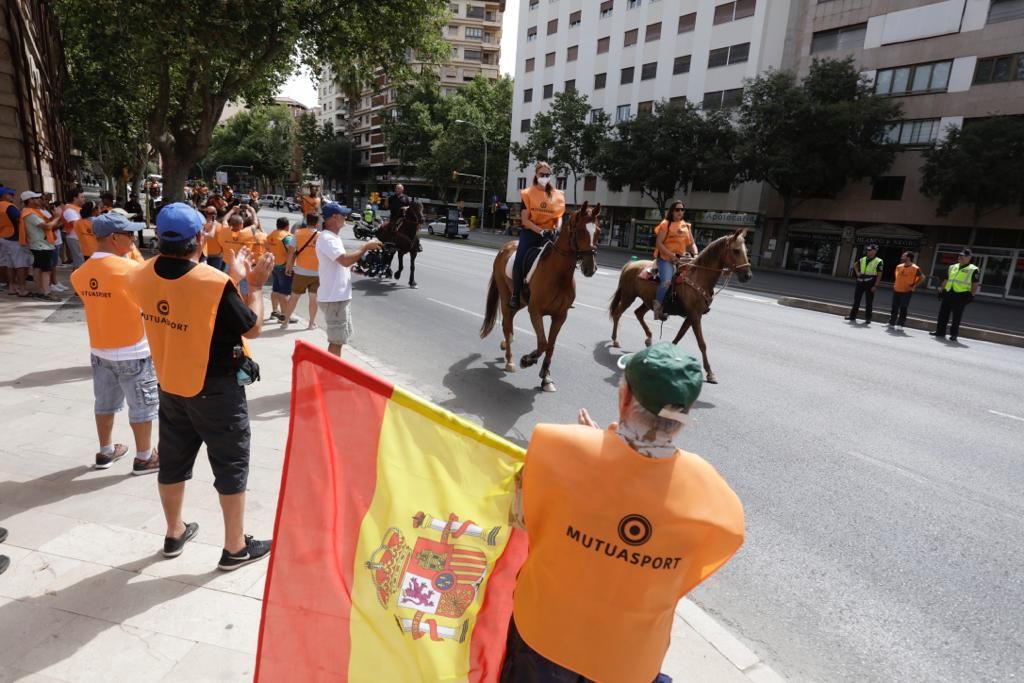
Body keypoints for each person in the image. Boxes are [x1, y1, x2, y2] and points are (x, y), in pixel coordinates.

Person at [502, 342, 744, 683]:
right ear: (686, 414)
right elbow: (683, 576)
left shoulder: (554, 446)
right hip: (630, 659)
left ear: (625, 397)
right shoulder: (716, 498)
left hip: (545, 636)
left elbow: (520, 521)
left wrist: (598, 450)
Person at [125, 202, 275, 569]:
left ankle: (174, 532)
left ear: (159, 237)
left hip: (171, 384)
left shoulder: (139, 275)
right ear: (199, 238)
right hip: (217, 390)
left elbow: (180, 307)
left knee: (172, 462)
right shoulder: (211, 282)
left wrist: (234, 280)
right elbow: (251, 327)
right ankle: (234, 547)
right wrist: (252, 284)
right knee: (230, 465)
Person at [70, 211, 159, 474]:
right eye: (128, 234)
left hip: (100, 349)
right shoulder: (132, 269)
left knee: (104, 403)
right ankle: (145, 457)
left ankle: (106, 451)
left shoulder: (80, 273)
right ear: (113, 238)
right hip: (134, 349)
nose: (133, 239)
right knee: (142, 405)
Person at [316, 203, 382, 356]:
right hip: (334, 299)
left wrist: (353, 268)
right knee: (336, 342)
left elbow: (341, 264)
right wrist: (365, 247)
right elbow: (344, 260)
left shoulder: (332, 238)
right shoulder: (327, 238)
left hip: (338, 298)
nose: (345, 217)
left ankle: (333, 372)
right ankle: (331, 376)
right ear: (334, 217)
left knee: (340, 339)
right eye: (343, 214)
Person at [509, 161, 566, 309]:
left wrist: (558, 228)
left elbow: (559, 216)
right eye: (542, 174)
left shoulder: (557, 195)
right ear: (536, 174)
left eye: (547, 175)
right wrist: (541, 231)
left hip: (550, 234)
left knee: (563, 258)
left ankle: (563, 292)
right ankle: (515, 294)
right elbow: (525, 220)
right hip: (531, 233)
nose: (545, 177)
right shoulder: (528, 193)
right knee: (520, 258)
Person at [651, 199, 699, 321]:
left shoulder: (687, 226)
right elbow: (659, 243)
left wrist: (696, 254)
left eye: (682, 209)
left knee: (693, 281)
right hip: (666, 259)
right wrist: (671, 255)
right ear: (672, 211)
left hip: (682, 260)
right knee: (666, 282)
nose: (680, 212)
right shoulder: (665, 224)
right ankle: (657, 308)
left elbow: (692, 244)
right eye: (677, 209)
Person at [19, 190, 63, 300]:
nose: (40, 200)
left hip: (40, 244)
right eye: (37, 198)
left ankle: (40, 291)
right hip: (41, 245)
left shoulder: (33, 211)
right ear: (30, 201)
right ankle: (45, 293)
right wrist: (57, 217)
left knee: (38, 268)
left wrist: (54, 217)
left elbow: (48, 223)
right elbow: (47, 227)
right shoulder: (30, 214)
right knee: (46, 270)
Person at [931, 248, 980, 342]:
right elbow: (946, 279)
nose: (961, 257)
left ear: (969, 258)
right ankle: (940, 331)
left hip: (961, 295)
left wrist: (972, 295)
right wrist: (941, 289)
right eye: (960, 255)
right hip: (949, 293)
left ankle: (954, 334)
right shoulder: (953, 266)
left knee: (956, 316)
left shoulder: (973, 269)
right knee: (943, 314)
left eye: (963, 256)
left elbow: (975, 284)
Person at [282, 213, 322, 330]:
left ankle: (285, 322)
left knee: (294, 297)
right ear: (317, 223)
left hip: (301, 271)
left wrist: (288, 266)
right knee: (313, 299)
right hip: (317, 272)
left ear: (306, 221)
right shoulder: (321, 236)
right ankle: (311, 324)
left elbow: (291, 251)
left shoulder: (298, 233)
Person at [0, 185, 32, 297]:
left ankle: (11, 287)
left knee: (9, 264)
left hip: (4, 237)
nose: (12, 195)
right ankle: (22, 289)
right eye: (10, 194)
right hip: (15, 239)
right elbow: (20, 219)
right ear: (3, 195)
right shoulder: (9, 207)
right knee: (20, 264)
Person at [267, 216, 297, 322]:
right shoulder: (287, 237)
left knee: (276, 289)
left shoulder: (271, 235)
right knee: (285, 292)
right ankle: (284, 316)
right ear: (287, 226)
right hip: (284, 267)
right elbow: (292, 251)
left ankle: (275, 312)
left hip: (274, 265)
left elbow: (267, 249)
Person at [845, 244, 883, 324]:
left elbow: (879, 274)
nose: (868, 252)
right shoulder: (863, 259)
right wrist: (857, 272)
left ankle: (868, 318)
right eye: (868, 250)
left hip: (871, 281)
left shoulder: (878, 261)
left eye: (870, 250)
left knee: (869, 301)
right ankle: (852, 316)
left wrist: (875, 285)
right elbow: (855, 264)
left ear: (875, 251)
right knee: (856, 300)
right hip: (860, 281)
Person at [888, 251, 923, 330]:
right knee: (894, 307)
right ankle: (891, 322)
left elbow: (922, 277)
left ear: (908, 258)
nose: (902, 257)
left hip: (906, 291)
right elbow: (897, 276)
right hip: (897, 289)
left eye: (903, 255)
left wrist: (914, 286)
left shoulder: (915, 268)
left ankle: (901, 324)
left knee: (903, 307)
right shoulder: (899, 266)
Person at [62, 187, 86, 268]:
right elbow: (76, 224)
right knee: (79, 262)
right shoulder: (69, 210)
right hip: (74, 238)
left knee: (79, 262)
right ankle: (78, 280)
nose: (84, 199)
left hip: (78, 238)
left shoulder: (76, 209)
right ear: (74, 198)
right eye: (81, 197)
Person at [202, 205, 225, 270]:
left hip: (203, 255)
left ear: (205, 213)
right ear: (216, 214)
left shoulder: (200, 225)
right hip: (216, 256)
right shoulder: (220, 226)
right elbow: (223, 243)